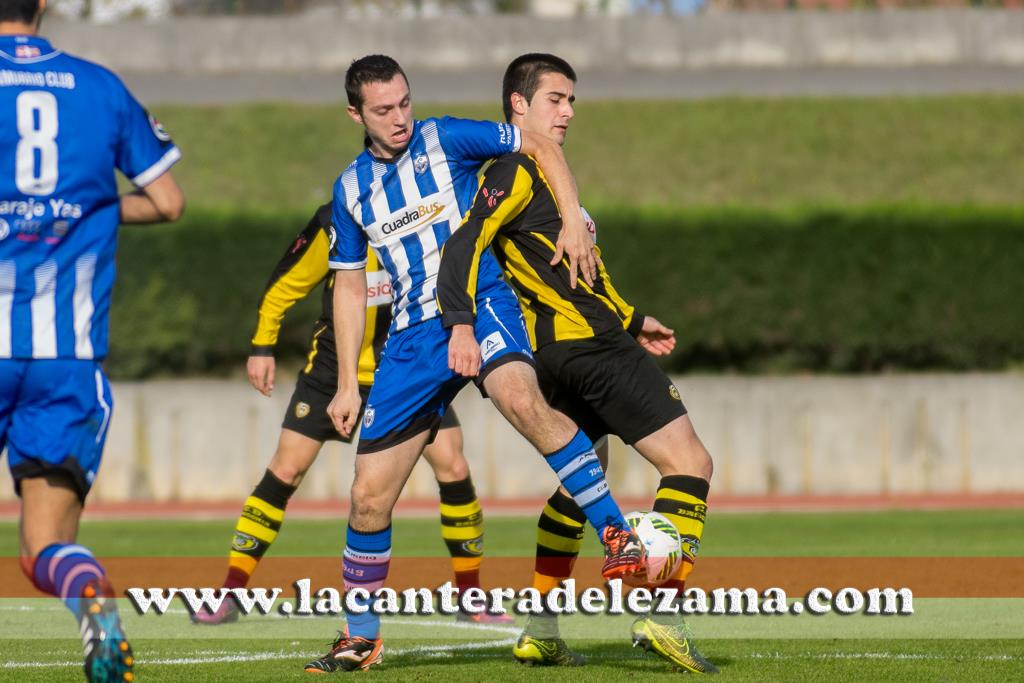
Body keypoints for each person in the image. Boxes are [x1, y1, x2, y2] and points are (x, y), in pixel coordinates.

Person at [304, 54, 645, 674]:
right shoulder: (350, 188)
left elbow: (539, 142)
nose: (400, 118)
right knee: (366, 498)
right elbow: (349, 286)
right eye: (384, 110)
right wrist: (349, 379)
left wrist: (573, 217)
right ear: (355, 113)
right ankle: (361, 637)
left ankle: (618, 537)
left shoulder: (447, 136)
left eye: (404, 102)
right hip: (411, 339)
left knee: (523, 401)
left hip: (482, 302)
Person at [436, 53, 717, 674]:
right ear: (518, 104)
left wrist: (633, 314)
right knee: (690, 462)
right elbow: (464, 243)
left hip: (568, 348)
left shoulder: (546, 173)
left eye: (571, 101)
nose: (566, 112)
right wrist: (459, 320)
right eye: (554, 99)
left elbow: (580, 270)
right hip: (587, 347)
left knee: (578, 483)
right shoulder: (514, 169)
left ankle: (540, 629)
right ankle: (660, 611)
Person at [191, 202, 509, 625]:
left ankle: (470, 598)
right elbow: (286, 283)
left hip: (406, 371)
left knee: (453, 464)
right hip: (332, 372)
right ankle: (229, 592)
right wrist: (262, 345)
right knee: (285, 470)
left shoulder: (434, 211)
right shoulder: (337, 218)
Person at [0, 0, 185, 680]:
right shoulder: (100, 86)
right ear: (43, 4)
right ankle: (89, 596)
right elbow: (168, 200)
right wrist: (91, 210)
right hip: (67, 356)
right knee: (44, 545)